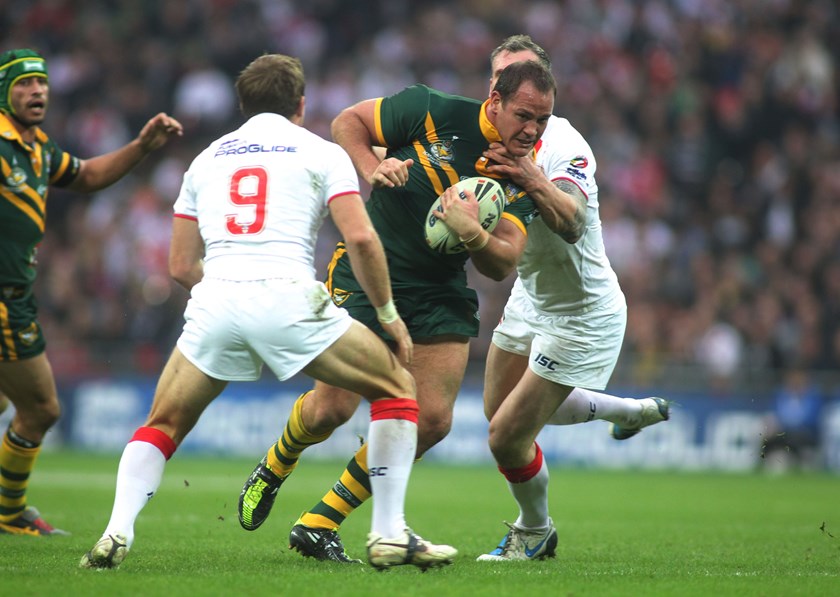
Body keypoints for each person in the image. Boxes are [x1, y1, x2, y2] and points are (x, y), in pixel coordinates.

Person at [78, 53, 456, 571]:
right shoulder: (320, 151)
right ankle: (389, 534)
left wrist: (232, 295)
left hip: (216, 301)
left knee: (162, 424)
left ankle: (114, 533)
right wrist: (388, 314)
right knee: (397, 389)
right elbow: (363, 237)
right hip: (288, 296)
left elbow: (181, 265)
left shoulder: (205, 159)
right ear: (300, 104)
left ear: (242, 105)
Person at [237, 60, 556, 562]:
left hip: (438, 290)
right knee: (331, 410)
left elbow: (503, 263)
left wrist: (471, 230)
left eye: (543, 119)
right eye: (524, 115)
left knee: (431, 420)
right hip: (370, 273)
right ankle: (277, 463)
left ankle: (320, 523)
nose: (533, 129)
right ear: (494, 101)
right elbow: (348, 122)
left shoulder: (526, 171)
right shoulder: (433, 109)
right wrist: (372, 167)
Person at [475, 35, 670, 562]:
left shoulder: (565, 145)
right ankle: (625, 411)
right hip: (529, 297)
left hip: (583, 313)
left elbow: (572, 220)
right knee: (499, 414)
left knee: (505, 438)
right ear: (493, 92)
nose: (517, 110)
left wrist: (529, 175)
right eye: (500, 84)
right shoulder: (479, 133)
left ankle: (534, 530)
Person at [0, 48, 183, 536]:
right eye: (23, 83)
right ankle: (8, 512)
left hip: (16, 295)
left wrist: (142, 146)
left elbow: (87, 176)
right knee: (40, 408)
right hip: (2, 300)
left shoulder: (36, 148)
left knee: (11, 405)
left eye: (41, 82)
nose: (36, 90)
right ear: (3, 91)